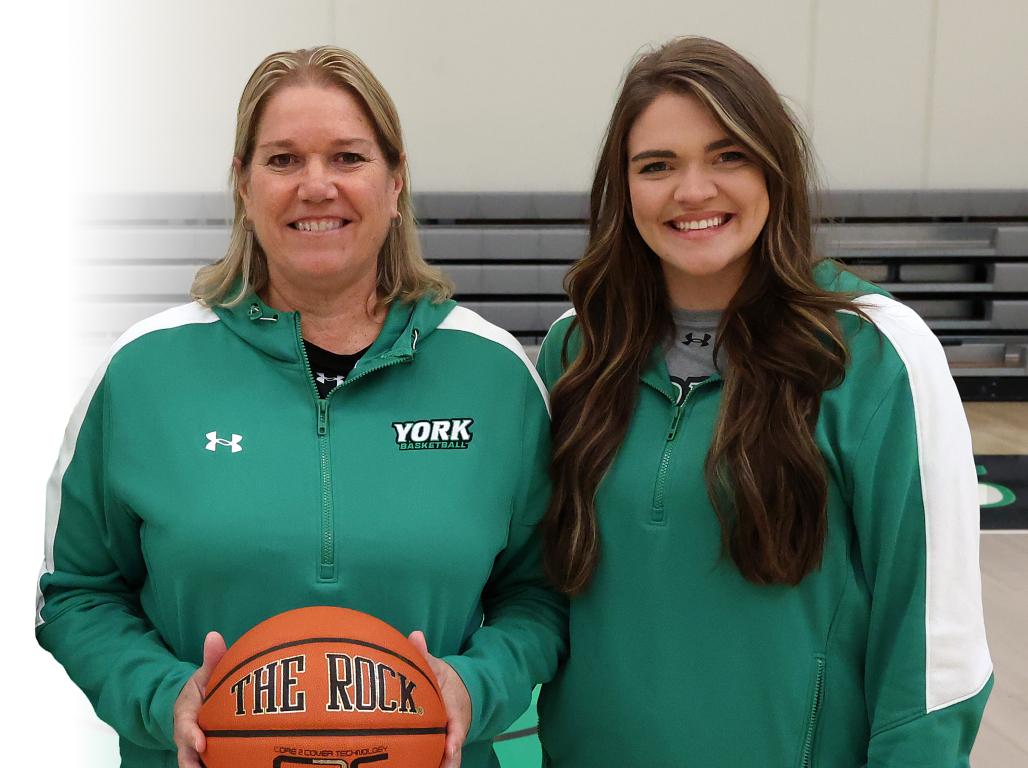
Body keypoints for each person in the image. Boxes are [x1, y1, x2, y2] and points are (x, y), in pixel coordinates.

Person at [36, 46, 565, 768]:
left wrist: (475, 686)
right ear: (242, 185)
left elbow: (541, 595)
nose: (317, 187)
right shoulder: (143, 371)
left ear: (396, 180)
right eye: (283, 160)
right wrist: (167, 697)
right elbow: (76, 594)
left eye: (348, 157)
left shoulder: (494, 373)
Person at [536, 36, 992, 767]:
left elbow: (936, 642)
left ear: (774, 168)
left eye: (728, 155)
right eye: (658, 166)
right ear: (623, 191)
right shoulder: (578, 350)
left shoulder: (875, 351)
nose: (693, 191)